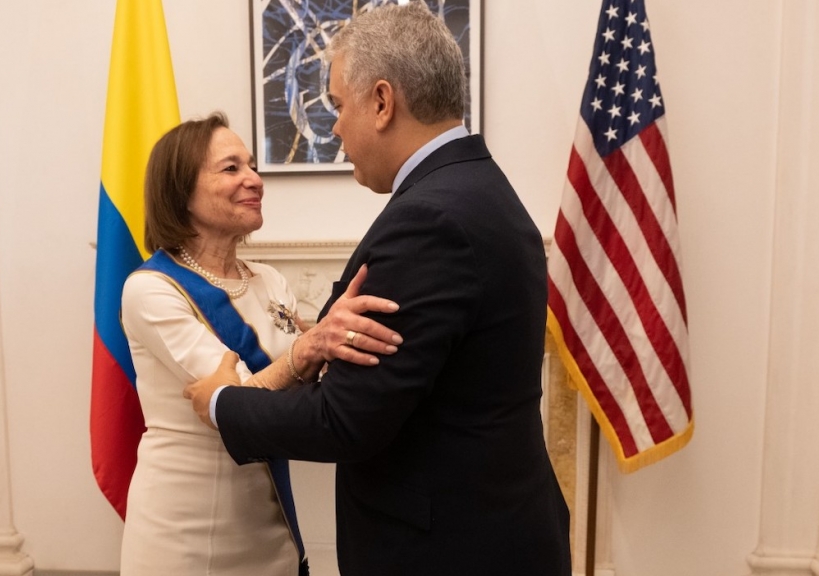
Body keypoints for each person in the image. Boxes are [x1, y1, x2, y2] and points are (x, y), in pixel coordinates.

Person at [184, 2, 572, 575]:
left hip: (447, 550)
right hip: (492, 527)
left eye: (339, 105)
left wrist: (222, 403)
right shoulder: (475, 186)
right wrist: (313, 345)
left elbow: (346, 421)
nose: (335, 126)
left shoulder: (432, 220)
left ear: (383, 102)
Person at [118, 112, 402, 576]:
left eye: (252, 166)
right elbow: (232, 401)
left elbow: (300, 388)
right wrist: (311, 348)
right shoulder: (151, 289)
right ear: (181, 191)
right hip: (187, 531)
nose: (254, 179)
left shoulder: (267, 280)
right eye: (231, 169)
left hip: (270, 525)